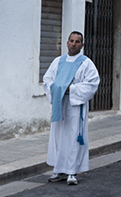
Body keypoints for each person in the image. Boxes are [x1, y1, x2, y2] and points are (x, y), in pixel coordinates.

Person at [43, 31, 100, 185]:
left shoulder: (86, 63)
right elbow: (47, 80)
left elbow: (92, 83)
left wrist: (71, 89)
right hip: (60, 104)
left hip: (75, 106)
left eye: (77, 41)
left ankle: (72, 172)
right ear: (67, 43)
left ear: (82, 45)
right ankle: (59, 170)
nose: (74, 44)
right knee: (59, 137)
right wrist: (56, 89)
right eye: (71, 41)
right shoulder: (58, 61)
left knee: (73, 137)